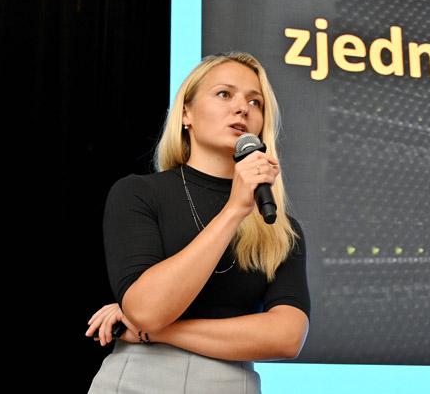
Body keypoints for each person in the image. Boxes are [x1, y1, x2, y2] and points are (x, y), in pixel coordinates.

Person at [85, 52, 310, 393]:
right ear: (186, 113)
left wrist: (154, 332)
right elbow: (147, 309)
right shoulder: (139, 193)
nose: (242, 108)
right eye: (224, 94)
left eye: (255, 102)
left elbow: (286, 338)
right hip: (138, 379)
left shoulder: (278, 226)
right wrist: (233, 210)